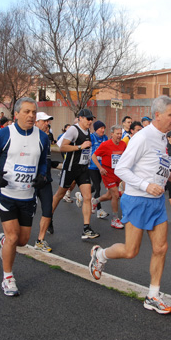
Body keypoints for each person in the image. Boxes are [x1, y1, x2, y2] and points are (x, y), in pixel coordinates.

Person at [89, 96, 171, 315]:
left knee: (161, 248)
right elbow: (121, 169)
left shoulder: (163, 138)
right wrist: (145, 186)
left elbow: (152, 165)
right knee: (131, 251)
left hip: (156, 202)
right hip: (138, 199)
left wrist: (168, 175)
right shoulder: (142, 137)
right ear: (158, 115)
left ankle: (153, 296)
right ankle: (100, 255)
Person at [0, 98, 48, 296]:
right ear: (17, 114)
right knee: (13, 236)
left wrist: (42, 176)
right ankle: (8, 278)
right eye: (27, 112)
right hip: (6, 194)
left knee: (22, 241)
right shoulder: (5, 133)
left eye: (34, 112)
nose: (31, 115)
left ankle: (5, 242)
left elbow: (43, 161)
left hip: (28, 196)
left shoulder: (42, 137)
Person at [51, 108, 99, 239]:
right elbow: (63, 147)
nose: (90, 121)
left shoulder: (88, 130)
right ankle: (48, 217)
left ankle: (86, 228)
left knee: (88, 197)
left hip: (83, 169)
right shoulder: (73, 130)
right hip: (71, 169)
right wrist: (80, 147)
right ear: (80, 118)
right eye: (88, 119)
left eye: (91, 119)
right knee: (59, 195)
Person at [91, 125, 127, 229]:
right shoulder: (105, 144)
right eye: (117, 134)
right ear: (112, 134)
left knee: (109, 196)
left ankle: (95, 201)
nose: (119, 136)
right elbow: (94, 156)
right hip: (107, 173)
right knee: (115, 195)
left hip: (118, 173)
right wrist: (100, 168)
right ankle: (115, 219)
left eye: (120, 133)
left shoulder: (123, 144)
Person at [33, 111, 56, 252]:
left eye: (48, 121)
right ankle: (11, 234)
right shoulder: (28, 137)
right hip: (31, 181)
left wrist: (51, 164)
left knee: (48, 210)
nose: (47, 124)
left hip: (45, 180)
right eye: (44, 121)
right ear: (36, 122)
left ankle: (40, 240)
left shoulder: (45, 137)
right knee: (26, 211)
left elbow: (45, 158)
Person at [88, 120, 109, 219]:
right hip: (92, 166)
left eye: (104, 128)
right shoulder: (91, 137)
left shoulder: (105, 138)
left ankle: (82, 194)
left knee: (94, 187)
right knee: (98, 188)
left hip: (102, 167)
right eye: (101, 128)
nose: (103, 130)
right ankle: (98, 210)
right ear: (96, 129)